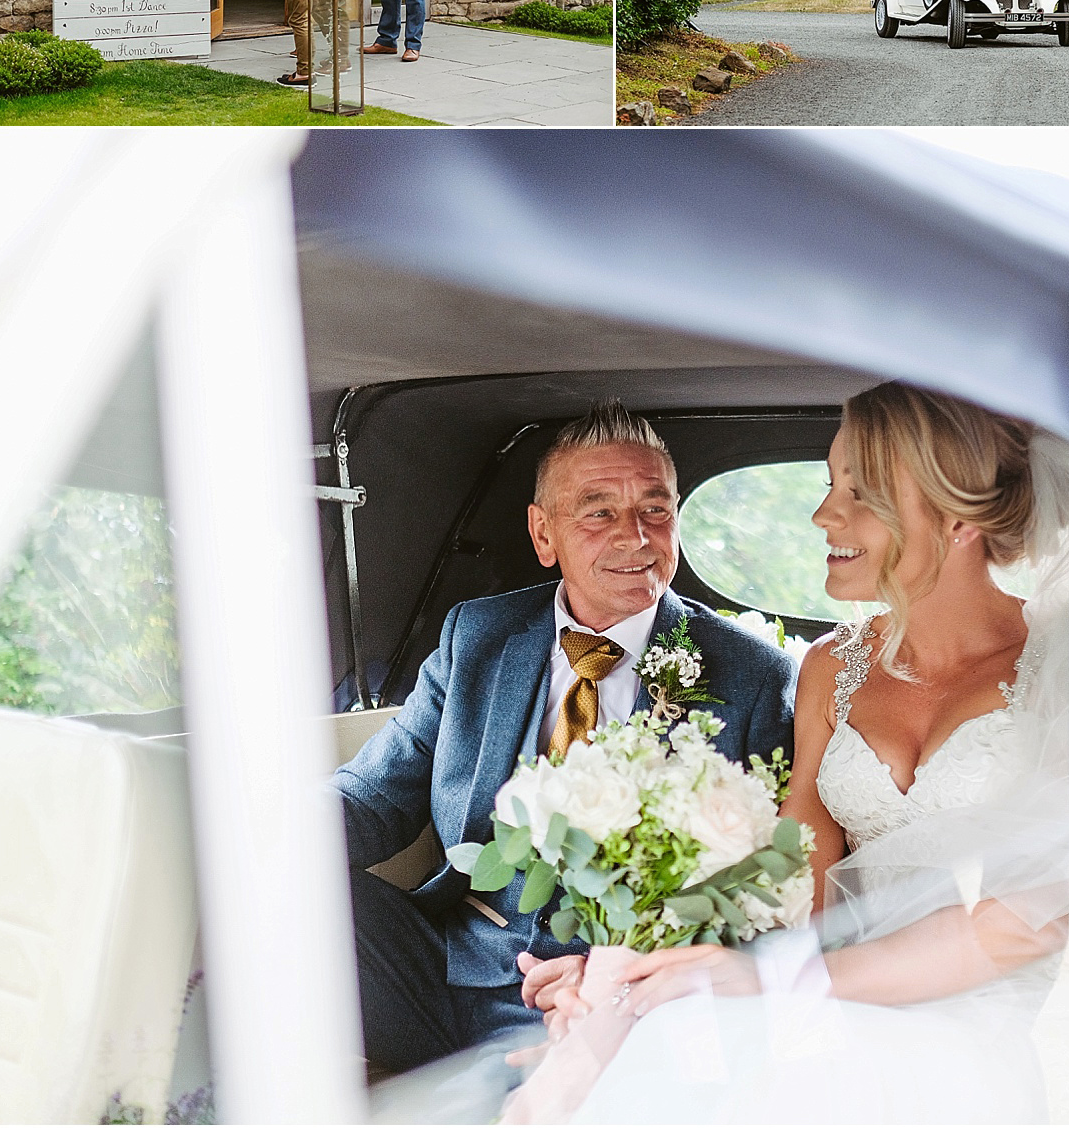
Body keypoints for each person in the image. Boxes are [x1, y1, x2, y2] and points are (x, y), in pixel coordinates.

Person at [511, 382, 1069, 1125]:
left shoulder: (1067, 668)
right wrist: (636, 971)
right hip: (830, 997)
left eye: (860, 492)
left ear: (956, 516)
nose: (824, 515)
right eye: (829, 485)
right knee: (653, 1039)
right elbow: (797, 886)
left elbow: (1023, 926)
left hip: (979, 1015)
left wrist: (780, 984)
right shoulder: (830, 667)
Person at [331, 400, 797, 1078]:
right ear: (543, 534)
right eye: (599, 511)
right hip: (447, 963)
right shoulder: (477, 637)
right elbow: (376, 795)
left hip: (617, 1000)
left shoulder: (753, 676)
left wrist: (618, 977)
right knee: (288, 884)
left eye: (656, 510)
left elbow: (760, 888)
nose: (635, 536)